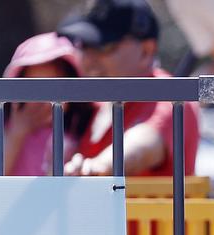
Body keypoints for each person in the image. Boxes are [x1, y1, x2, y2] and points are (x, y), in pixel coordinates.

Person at [56, 0, 198, 177]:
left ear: (146, 51)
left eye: (104, 47)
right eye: (84, 45)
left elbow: (142, 145)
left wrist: (98, 166)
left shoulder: (169, 95)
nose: (88, 59)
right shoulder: (91, 105)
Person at [0, 32, 95, 176]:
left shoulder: (80, 125)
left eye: (55, 88)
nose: (45, 100)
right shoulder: (9, 127)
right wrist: (18, 132)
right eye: (34, 90)